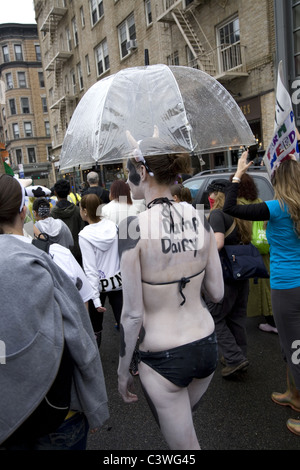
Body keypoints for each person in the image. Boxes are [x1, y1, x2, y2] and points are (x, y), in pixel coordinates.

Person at [117, 137, 224, 450]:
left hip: (163, 356)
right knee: (184, 430)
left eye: (129, 173)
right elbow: (217, 292)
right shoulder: (199, 216)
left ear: (143, 171)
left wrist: (123, 373)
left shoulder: (131, 228)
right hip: (206, 345)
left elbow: (133, 313)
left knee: (185, 447)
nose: (127, 181)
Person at [0, 174, 109, 450]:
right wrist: (94, 403)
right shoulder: (50, 257)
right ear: (23, 212)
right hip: (55, 412)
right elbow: (78, 333)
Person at [223, 150, 300, 436]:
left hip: (287, 287)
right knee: (290, 345)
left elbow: (230, 206)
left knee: (295, 348)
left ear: (278, 180)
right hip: (295, 285)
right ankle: (294, 395)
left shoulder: (276, 208)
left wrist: (239, 173)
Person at [204, 178, 253, 378]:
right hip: (242, 272)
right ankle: (239, 354)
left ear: (217, 194)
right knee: (236, 317)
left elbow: (218, 244)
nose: (209, 197)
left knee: (215, 318)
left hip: (225, 274)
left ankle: (234, 358)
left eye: (211, 193)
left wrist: (200, 254)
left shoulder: (217, 214)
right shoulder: (238, 213)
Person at [230, 173, 277, 334]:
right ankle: (272, 318)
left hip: (249, 251)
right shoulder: (259, 202)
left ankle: (273, 321)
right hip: (265, 249)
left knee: (256, 287)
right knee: (267, 284)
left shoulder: (237, 205)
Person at [79, 193, 123, 345]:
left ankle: (95, 363)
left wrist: (96, 300)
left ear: (85, 211)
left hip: (97, 285)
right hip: (118, 282)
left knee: (95, 327)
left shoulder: (85, 235)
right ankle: (133, 360)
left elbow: (90, 269)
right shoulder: (113, 226)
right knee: (124, 323)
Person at [51, 179, 85, 266]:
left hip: (60, 255)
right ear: (70, 192)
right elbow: (82, 230)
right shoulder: (77, 211)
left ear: (55, 192)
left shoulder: (52, 214)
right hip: (78, 253)